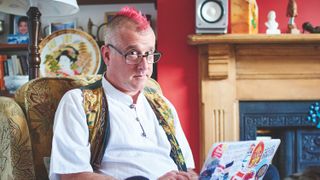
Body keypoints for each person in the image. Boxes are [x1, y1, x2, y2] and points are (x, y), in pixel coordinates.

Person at [49, 6, 197, 180]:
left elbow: (188, 169)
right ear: (107, 55)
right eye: (132, 53)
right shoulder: (78, 102)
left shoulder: (163, 105)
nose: (144, 66)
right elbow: (72, 176)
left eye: (148, 54)